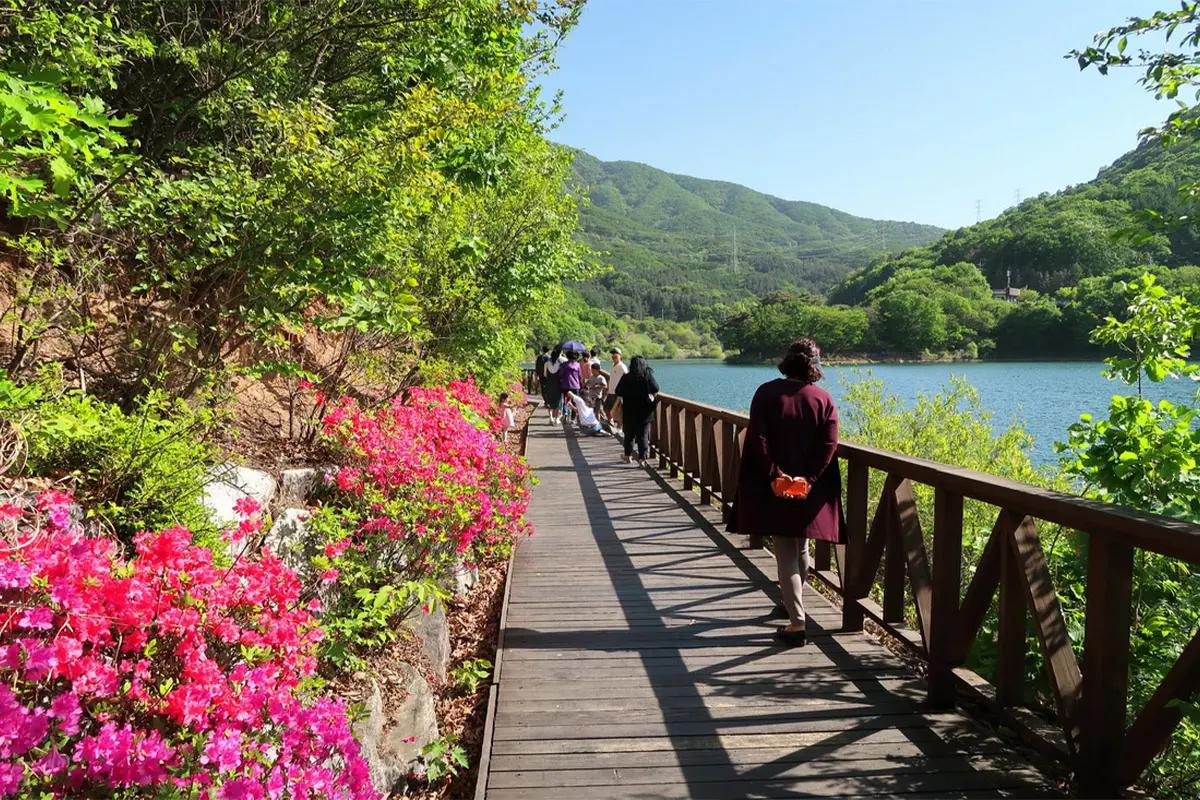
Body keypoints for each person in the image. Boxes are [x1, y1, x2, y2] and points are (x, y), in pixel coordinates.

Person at [727, 337, 845, 647]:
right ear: (814, 367)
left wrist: (775, 476)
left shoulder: (767, 393)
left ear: (787, 362)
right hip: (809, 489)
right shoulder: (824, 400)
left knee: (785, 553)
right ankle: (793, 604)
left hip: (775, 486)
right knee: (800, 547)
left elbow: (758, 440)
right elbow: (829, 446)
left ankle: (797, 621)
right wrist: (809, 479)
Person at [614, 355, 659, 465]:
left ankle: (627, 456)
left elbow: (617, 391)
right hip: (645, 411)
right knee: (643, 435)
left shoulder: (626, 377)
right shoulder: (647, 376)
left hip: (629, 410)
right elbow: (656, 388)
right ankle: (642, 458)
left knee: (629, 434)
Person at [605, 347, 628, 432]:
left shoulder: (622, 366)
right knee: (606, 408)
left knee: (617, 412)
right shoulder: (613, 365)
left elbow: (626, 378)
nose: (613, 356)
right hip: (611, 392)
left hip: (617, 393)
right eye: (612, 354)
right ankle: (612, 424)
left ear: (620, 355)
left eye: (615, 354)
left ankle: (618, 429)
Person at [557, 351, 582, 425]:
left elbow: (560, 374)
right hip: (575, 386)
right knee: (575, 402)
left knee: (566, 400)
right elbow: (580, 376)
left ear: (567, 356)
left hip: (565, 385)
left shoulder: (563, 365)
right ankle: (573, 419)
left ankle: (565, 413)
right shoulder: (578, 365)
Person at [542, 346, 565, 424]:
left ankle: (550, 418)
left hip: (549, 384)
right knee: (558, 402)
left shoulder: (546, 363)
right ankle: (556, 419)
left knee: (549, 401)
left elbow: (545, 374)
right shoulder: (560, 364)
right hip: (558, 385)